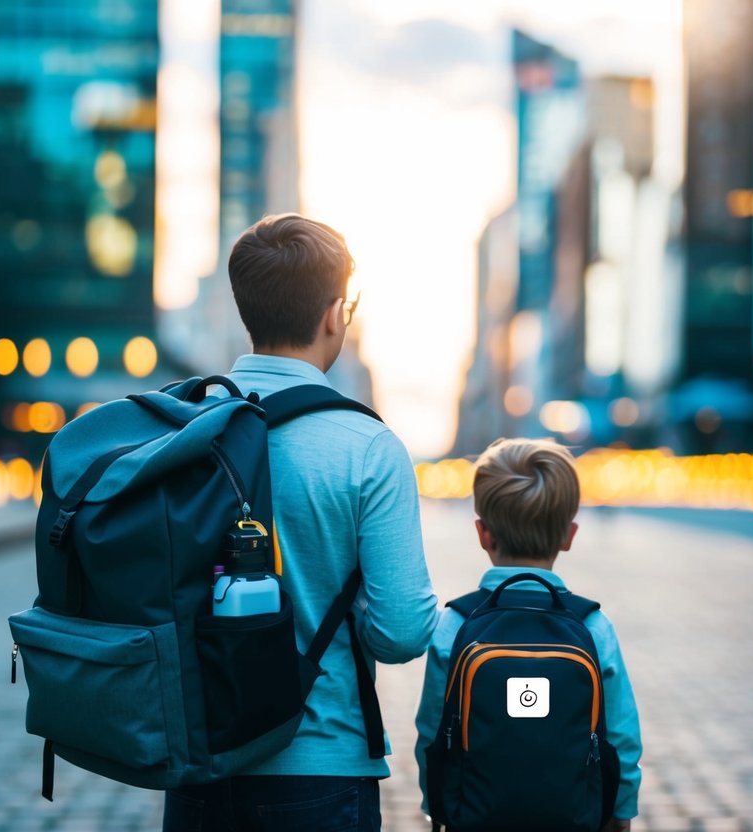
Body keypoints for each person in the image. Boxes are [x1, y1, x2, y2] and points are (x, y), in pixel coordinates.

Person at [164, 214, 439, 831]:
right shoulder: (367, 446)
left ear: (247, 311)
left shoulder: (182, 429)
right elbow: (402, 633)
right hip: (320, 769)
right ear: (336, 314)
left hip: (200, 761)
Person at [414, 438, 643, 831]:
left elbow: (432, 733)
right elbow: (621, 736)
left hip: (475, 817)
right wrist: (620, 809)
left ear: (483, 533)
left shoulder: (455, 624)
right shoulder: (592, 627)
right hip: (572, 817)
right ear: (569, 536)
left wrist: (436, 803)